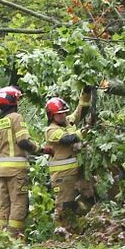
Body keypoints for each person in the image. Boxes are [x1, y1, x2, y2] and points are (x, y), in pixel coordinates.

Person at [0, 86, 40, 237]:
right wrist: (39, 148)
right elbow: (23, 142)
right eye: (18, 100)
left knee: (4, 206)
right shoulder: (16, 118)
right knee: (18, 204)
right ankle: (14, 239)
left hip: (2, 171)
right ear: (13, 101)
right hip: (17, 172)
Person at [44, 87, 95, 226]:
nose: (63, 116)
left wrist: (86, 92)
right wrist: (86, 129)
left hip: (75, 173)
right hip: (62, 176)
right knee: (64, 207)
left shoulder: (68, 122)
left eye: (64, 113)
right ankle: (61, 233)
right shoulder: (51, 131)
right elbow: (69, 139)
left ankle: (77, 229)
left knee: (84, 200)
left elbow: (80, 111)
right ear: (51, 116)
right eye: (59, 114)